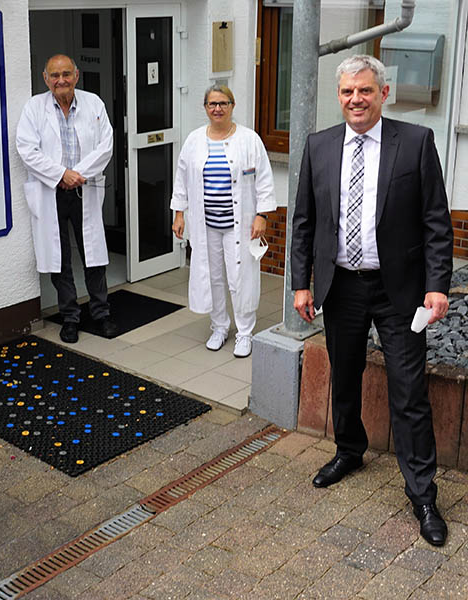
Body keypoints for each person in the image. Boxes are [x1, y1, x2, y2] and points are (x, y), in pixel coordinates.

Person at [292, 55, 453, 546]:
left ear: (383, 93)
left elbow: (435, 222)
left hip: (400, 291)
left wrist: (438, 284)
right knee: (344, 376)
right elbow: (303, 222)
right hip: (341, 287)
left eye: (364, 90)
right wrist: (302, 283)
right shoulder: (318, 146)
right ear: (338, 96)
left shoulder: (416, 143)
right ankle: (349, 449)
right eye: (346, 92)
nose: (355, 100)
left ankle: (422, 494)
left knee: (409, 393)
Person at [16, 54, 116, 344]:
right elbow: (27, 150)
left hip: (84, 188)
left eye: (66, 74)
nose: (61, 80)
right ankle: (69, 317)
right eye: (55, 75)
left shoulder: (93, 104)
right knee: (59, 258)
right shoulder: (34, 108)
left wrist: (77, 174)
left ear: (76, 75)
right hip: (52, 192)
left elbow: (105, 146)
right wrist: (61, 174)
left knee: (94, 255)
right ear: (46, 79)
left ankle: (101, 312)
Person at [170, 85, 276, 358]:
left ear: (233, 105)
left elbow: (264, 179)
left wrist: (262, 215)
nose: (217, 108)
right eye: (212, 104)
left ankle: (244, 333)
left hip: (240, 224)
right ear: (205, 107)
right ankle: (219, 326)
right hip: (207, 225)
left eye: (223, 103)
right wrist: (179, 213)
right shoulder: (194, 140)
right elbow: (181, 178)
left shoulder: (249, 140)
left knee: (241, 277)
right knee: (212, 276)